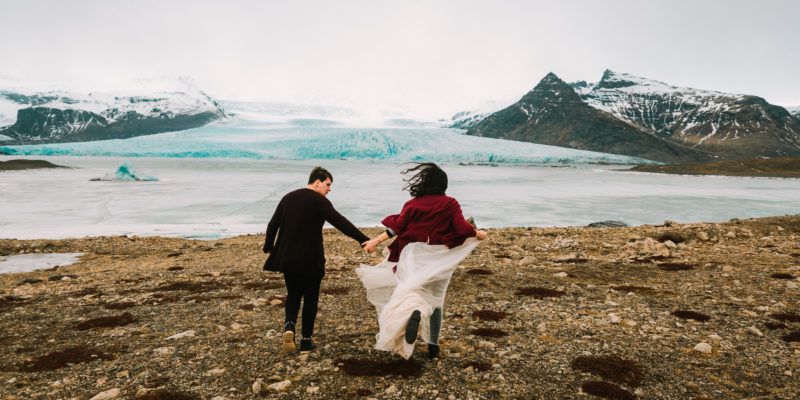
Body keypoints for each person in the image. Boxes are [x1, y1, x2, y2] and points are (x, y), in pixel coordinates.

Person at [361, 163, 487, 359]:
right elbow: (462, 228)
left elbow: (397, 228)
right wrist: (476, 233)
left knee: (411, 291)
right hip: (438, 256)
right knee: (436, 299)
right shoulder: (450, 203)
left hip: (412, 255)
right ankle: (433, 346)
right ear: (443, 185)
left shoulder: (412, 204)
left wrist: (374, 242)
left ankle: (415, 312)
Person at [263, 166, 370, 354]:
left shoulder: (288, 197)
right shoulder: (319, 201)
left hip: (288, 258)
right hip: (311, 258)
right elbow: (340, 222)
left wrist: (269, 246)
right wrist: (363, 239)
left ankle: (289, 328)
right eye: (328, 185)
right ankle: (306, 341)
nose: (329, 189)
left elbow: (273, 224)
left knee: (293, 293)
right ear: (317, 182)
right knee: (311, 296)